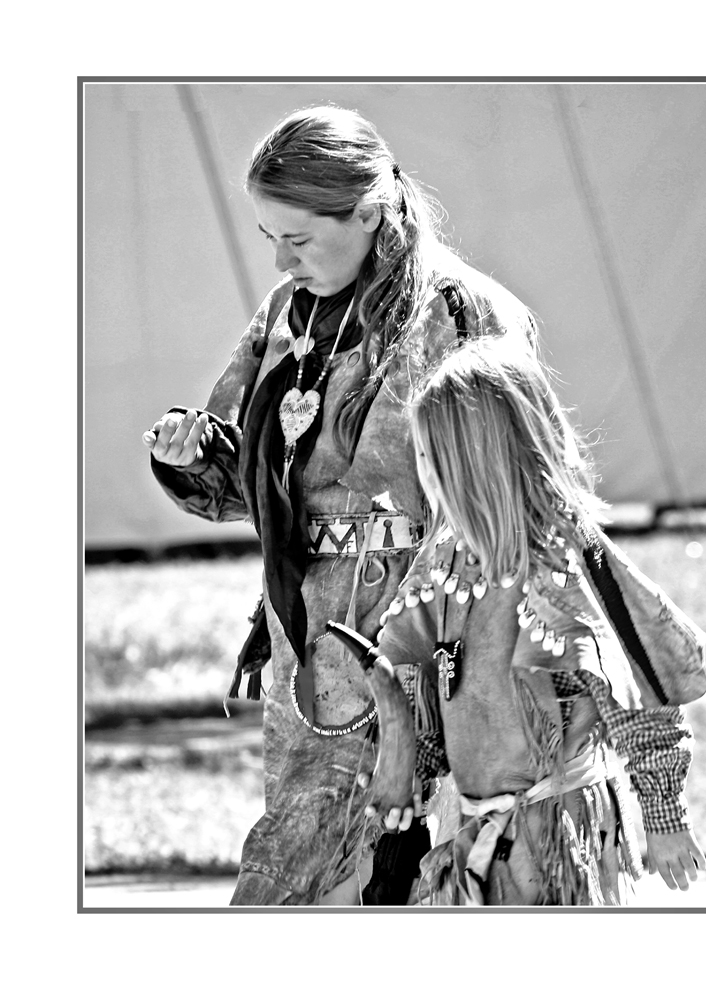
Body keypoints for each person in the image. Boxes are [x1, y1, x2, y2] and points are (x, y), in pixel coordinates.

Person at [142, 105, 540, 905]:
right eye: (269, 238)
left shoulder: (465, 314)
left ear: (367, 212)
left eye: (298, 238)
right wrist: (192, 456)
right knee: (300, 870)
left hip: (439, 637)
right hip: (310, 639)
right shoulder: (287, 317)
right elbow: (256, 488)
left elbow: (504, 502)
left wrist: (428, 647)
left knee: (441, 871)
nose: (281, 261)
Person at [358, 336, 706, 905]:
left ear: (481, 460)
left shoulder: (561, 564)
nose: (424, 473)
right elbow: (433, 685)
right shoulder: (446, 563)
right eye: (420, 455)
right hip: (478, 835)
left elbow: (637, 700)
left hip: (560, 839)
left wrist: (664, 817)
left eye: (434, 456)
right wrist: (410, 771)